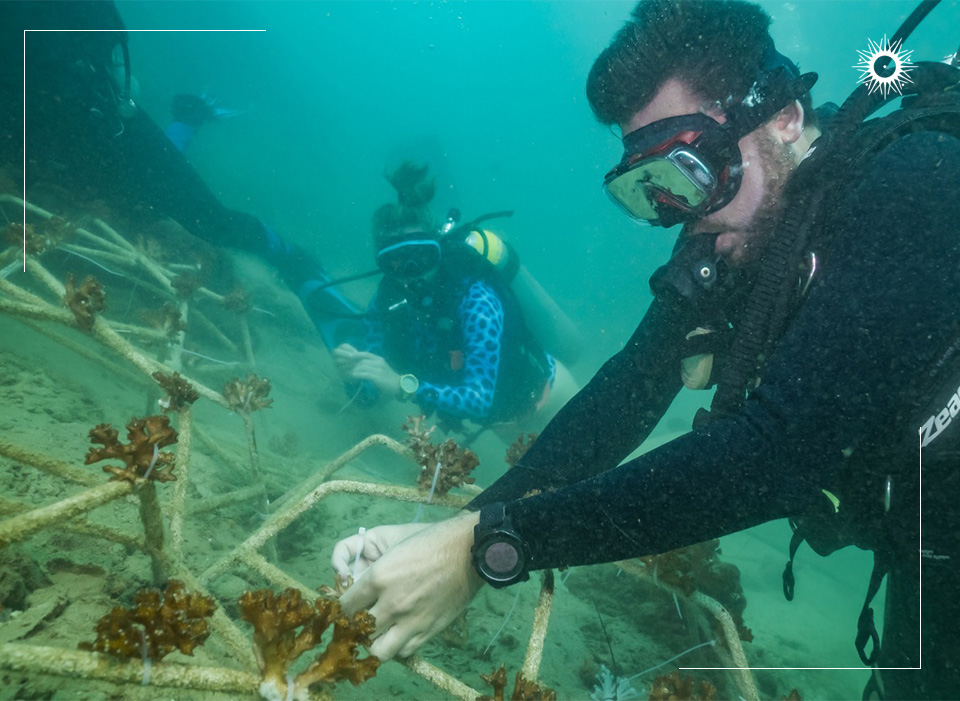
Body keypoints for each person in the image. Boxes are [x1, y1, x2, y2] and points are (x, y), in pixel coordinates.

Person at [330, 2, 960, 699]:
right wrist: (462, 527)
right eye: (652, 190)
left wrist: (489, 549)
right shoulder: (734, 234)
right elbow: (627, 390)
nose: (685, 216)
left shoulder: (922, 184)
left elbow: (777, 452)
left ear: (784, 118)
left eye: (694, 172)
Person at [0, 1, 354, 349]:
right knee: (139, 196)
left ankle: (287, 256)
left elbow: (104, 39)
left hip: (101, 128)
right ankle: (186, 121)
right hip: (35, 132)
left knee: (204, 219)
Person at [333, 162, 578, 437]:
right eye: (396, 261)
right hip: (505, 423)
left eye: (423, 256)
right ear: (383, 264)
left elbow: (480, 399)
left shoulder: (474, 298)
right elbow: (371, 395)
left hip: (555, 398)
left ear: (437, 250)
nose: (413, 272)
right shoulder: (384, 305)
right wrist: (354, 376)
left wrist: (404, 386)